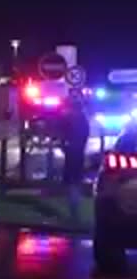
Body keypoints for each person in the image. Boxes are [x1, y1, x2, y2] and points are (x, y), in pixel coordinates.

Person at [61, 94, 91, 224]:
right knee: (74, 183)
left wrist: (65, 145)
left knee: (73, 183)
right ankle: (74, 212)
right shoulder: (82, 120)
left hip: (73, 155)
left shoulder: (74, 120)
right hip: (77, 154)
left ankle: (74, 214)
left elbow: (66, 136)